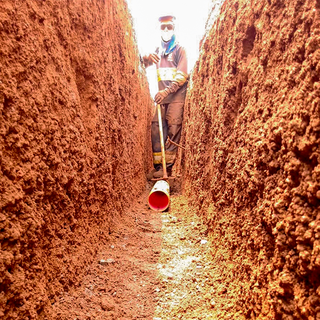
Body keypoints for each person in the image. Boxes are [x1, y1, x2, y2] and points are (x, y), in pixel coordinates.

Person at [143, 15, 188, 179]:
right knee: (156, 127)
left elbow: (181, 77)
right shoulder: (157, 51)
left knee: (173, 127)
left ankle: (167, 168)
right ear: (159, 29)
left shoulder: (180, 50)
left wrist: (166, 92)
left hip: (176, 96)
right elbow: (143, 64)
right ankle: (158, 167)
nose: (166, 30)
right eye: (163, 27)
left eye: (169, 27)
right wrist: (146, 57)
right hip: (163, 98)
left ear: (174, 28)